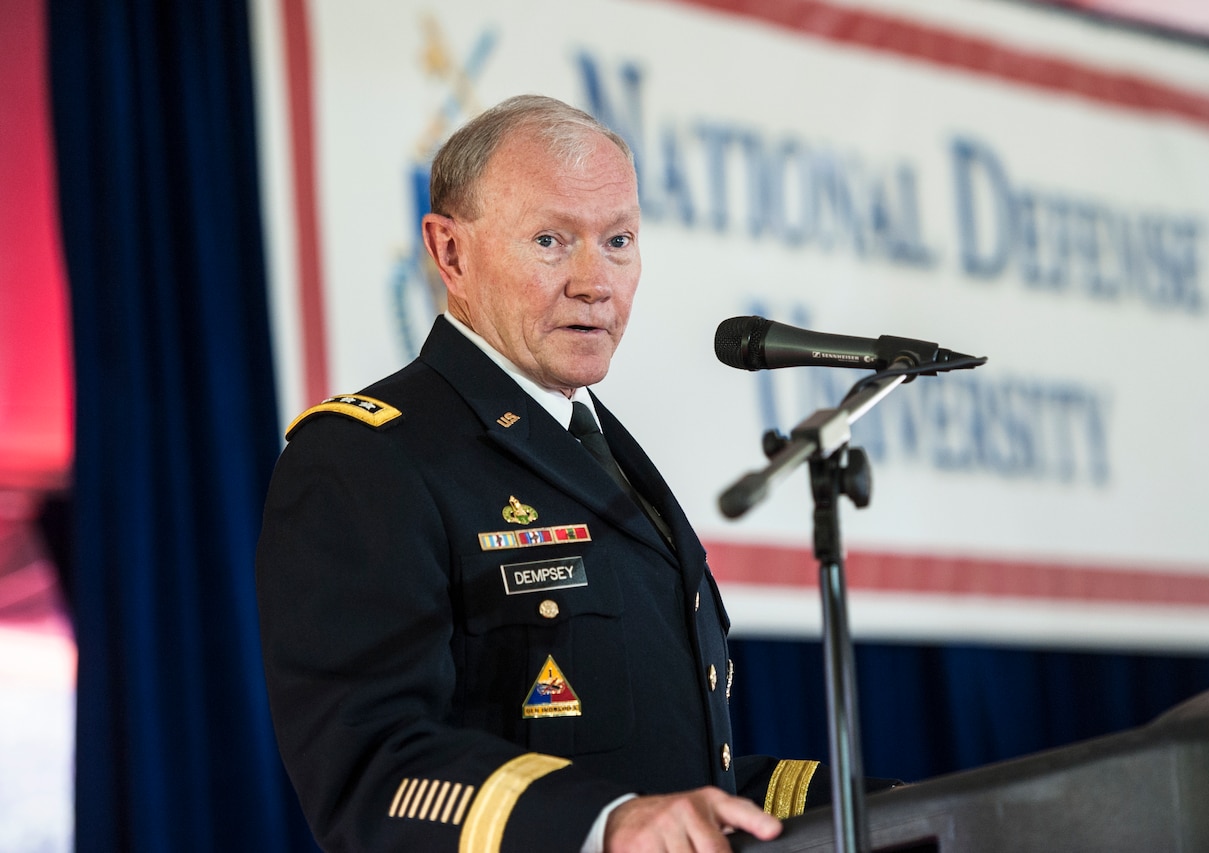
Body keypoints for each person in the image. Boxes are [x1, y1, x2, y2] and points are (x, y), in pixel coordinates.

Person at [256, 94, 829, 853]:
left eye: (619, 239)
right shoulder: (366, 459)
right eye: (552, 240)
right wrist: (602, 824)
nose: (595, 281)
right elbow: (373, 767)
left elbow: (667, 772)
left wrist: (854, 802)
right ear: (450, 253)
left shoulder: (600, 449)